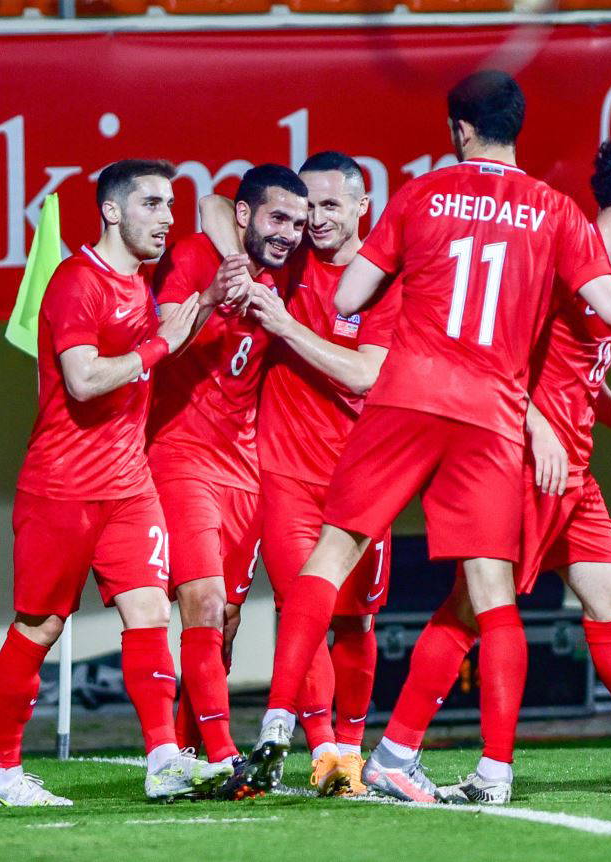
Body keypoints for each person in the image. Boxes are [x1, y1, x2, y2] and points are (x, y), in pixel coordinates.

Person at [240, 69, 611, 802]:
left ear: (458, 128)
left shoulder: (421, 193)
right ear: (517, 127)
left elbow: (355, 296)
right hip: (490, 416)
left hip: (406, 398)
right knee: (492, 600)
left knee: (331, 558)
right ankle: (494, 769)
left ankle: (278, 722)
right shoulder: (553, 211)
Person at [388, 130, 611, 805]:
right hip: (523, 463)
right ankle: (400, 753)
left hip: (573, 472)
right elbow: (499, 360)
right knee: (471, 609)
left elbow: (583, 375)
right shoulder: (557, 258)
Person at [0, 159, 234, 806]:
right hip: (61, 487)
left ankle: (163, 760)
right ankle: (2, 774)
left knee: (150, 611)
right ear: (113, 212)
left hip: (129, 486)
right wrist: (157, 347)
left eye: (168, 205)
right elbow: (85, 380)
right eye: (152, 204)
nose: (167, 217)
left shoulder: (145, 280)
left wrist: (209, 300)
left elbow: (210, 208)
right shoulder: (75, 282)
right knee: (38, 626)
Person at [199, 151, 399, 796]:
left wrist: (283, 327)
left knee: (357, 621)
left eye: (330, 206)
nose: (312, 221)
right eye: (306, 206)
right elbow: (211, 203)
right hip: (283, 471)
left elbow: (367, 373)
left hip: (364, 472)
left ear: (363, 206)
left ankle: (350, 744)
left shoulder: (386, 282)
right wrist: (234, 257)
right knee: (300, 609)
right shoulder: (291, 262)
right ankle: (318, 750)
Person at [146, 164, 308, 793]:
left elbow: (217, 201)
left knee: (230, 619)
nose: (290, 233)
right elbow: (163, 344)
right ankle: (221, 754)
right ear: (246, 217)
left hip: (245, 470)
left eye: (298, 222)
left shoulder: (282, 272)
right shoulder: (191, 257)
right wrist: (215, 290)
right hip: (182, 454)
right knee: (203, 603)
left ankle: (190, 749)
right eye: (277, 218)